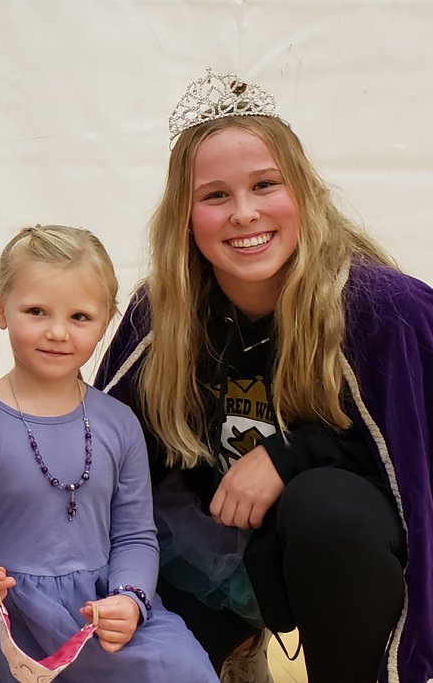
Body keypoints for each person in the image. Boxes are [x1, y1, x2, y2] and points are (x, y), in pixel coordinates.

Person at [96, 70, 433, 683]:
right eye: (215, 195)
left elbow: (413, 458)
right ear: (185, 213)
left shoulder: (381, 308)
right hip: (219, 545)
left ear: (302, 192)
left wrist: (290, 456)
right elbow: (110, 444)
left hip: (347, 555)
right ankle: (233, 651)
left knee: (327, 510)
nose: (244, 213)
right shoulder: (165, 309)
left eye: (265, 185)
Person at [0, 224, 217, 682]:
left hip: (94, 612)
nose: (57, 332)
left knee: (182, 665)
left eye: (80, 317)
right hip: (7, 620)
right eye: (36, 311)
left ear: (108, 318)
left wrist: (128, 598)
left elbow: (134, 535)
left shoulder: (119, 423)